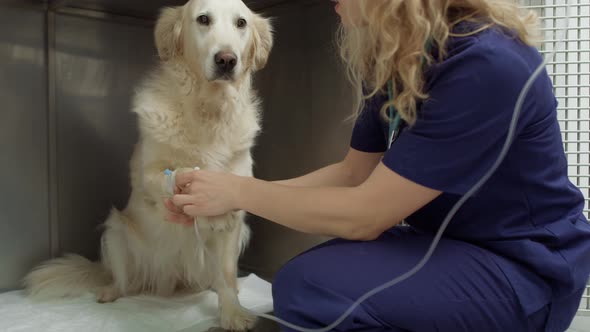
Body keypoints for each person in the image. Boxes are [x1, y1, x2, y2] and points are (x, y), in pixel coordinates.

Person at [164, 0, 590, 330]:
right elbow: (353, 174)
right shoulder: (396, 59)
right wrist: (224, 196)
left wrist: (238, 192)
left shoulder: (484, 63)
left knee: (308, 288)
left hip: (525, 272)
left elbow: (365, 215)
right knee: (312, 277)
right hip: (449, 243)